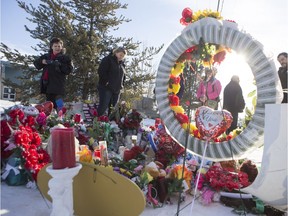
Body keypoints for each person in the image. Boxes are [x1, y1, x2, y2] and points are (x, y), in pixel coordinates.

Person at [33, 37, 73, 110]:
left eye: (59, 46)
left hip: (59, 86)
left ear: (61, 47)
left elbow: (69, 70)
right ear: (52, 47)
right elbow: (36, 63)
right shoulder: (46, 56)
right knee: (48, 107)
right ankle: (50, 120)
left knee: (59, 107)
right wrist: (42, 62)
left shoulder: (65, 58)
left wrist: (60, 64)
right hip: (48, 86)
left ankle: (61, 119)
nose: (57, 48)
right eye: (55, 46)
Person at [97, 47, 127, 117]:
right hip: (106, 87)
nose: (121, 57)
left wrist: (122, 85)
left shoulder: (122, 64)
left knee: (114, 109)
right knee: (103, 106)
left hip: (117, 89)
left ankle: (110, 123)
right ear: (116, 52)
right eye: (120, 55)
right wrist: (106, 82)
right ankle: (96, 121)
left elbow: (124, 77)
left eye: (123, 56)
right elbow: (101, 71)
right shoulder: (108, 59)